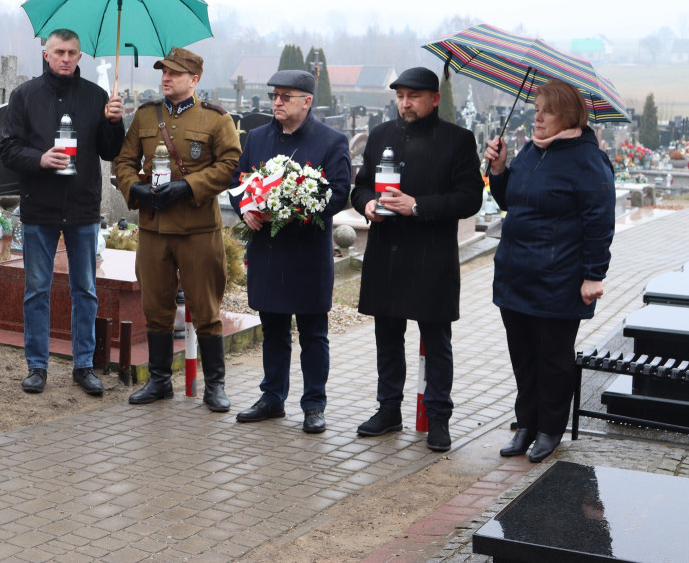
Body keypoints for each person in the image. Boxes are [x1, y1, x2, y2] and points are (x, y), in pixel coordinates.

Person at [350, 67, 483, 451]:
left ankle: (438, 418)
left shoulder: (458, 140)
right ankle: (388, 410)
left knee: (437, 341)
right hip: (386, 254)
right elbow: (360, 187)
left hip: (431, 257)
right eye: (401, 96)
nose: (405, 103)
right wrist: (368, 205)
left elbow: (469, 197)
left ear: (434, 99)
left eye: (414, 96)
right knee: (387, 337)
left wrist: (418, 206)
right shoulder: (380, 135)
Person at [484, 79, 615, 463]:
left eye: (548, 110)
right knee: (523, 356)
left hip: (558, 280)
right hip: (516, 274)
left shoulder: (587, 160)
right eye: (536, 107)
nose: (537, 116)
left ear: (569, 116)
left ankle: (550, 429)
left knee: (553, 359)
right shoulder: (530, 151)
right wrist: (500, 168)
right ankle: (526, 424)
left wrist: (594, 274)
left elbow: (599, 221)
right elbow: (510, 199)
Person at [114, 46, 241, 411]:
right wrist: (133, 188)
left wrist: (188, 186)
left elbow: (230, 163)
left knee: (205, 308)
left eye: (174, 73)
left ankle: (214, 385)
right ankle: (159, 381)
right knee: (155, 307)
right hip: (154, 228)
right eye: (163, 72)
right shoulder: (146, 116)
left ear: (194, 79)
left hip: (197, 229)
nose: (166, 78)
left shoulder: (216, 119)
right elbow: (124, 159)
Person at [0, 29, 125, 395]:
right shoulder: (24, 96)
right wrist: (39, 159)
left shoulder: (96, 97)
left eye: (72, 52)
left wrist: (115, 123)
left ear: (80, 56)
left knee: (85, 289)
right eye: (59, 52)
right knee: (37, 289)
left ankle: (83, 365)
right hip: (40, 207)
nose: (66, 58)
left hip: (83, 206)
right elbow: (8, 150)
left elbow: (108, 150)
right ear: (46, 53)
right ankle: (37, 366)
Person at [229, 70, 351, 433]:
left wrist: (297, 208)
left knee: (313, 333)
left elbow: (339, 192)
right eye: (274, 96)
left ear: (307, 101)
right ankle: (272, 398)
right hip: (268, 250)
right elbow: (241, 181)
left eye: (285, 96)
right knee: (274, 330)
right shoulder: (257, 138)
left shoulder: (331, 141)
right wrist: (246, 209)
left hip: (307, 253)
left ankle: (314, 404)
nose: (277, 102)